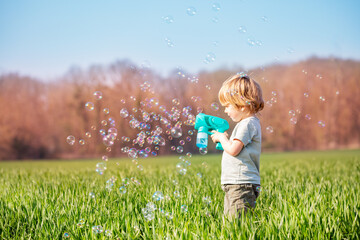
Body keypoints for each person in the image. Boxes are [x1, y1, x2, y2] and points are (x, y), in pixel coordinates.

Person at [210, 73, 264, 219]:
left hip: (240, 183)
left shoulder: (247, 124)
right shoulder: (248, 123)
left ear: (241, 103)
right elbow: (236, 147)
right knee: (232, 223)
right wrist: (225, 140)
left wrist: (222, 138)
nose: (225, 111)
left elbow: (233, 150)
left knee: (237, 225)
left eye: (227, 106)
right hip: (237, 182)